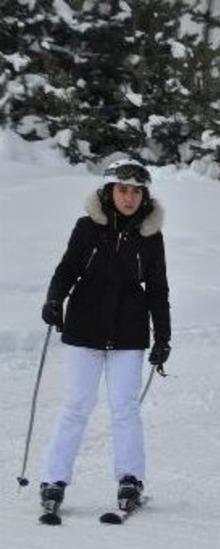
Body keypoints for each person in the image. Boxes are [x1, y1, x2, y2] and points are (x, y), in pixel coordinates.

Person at [37, 158, 171, 516]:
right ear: (109, 191)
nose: (130, 197)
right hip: (84, 326)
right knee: (76, 405)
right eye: (123, 190)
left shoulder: (150, 236)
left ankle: (130, 479)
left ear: (144, 196)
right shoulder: (87, 228)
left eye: (136, 191)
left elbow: (158, 289)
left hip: (129, 330)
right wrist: (54, 300)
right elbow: (67, 269)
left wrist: (163, 337)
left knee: (125, 408)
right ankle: (53, 479)